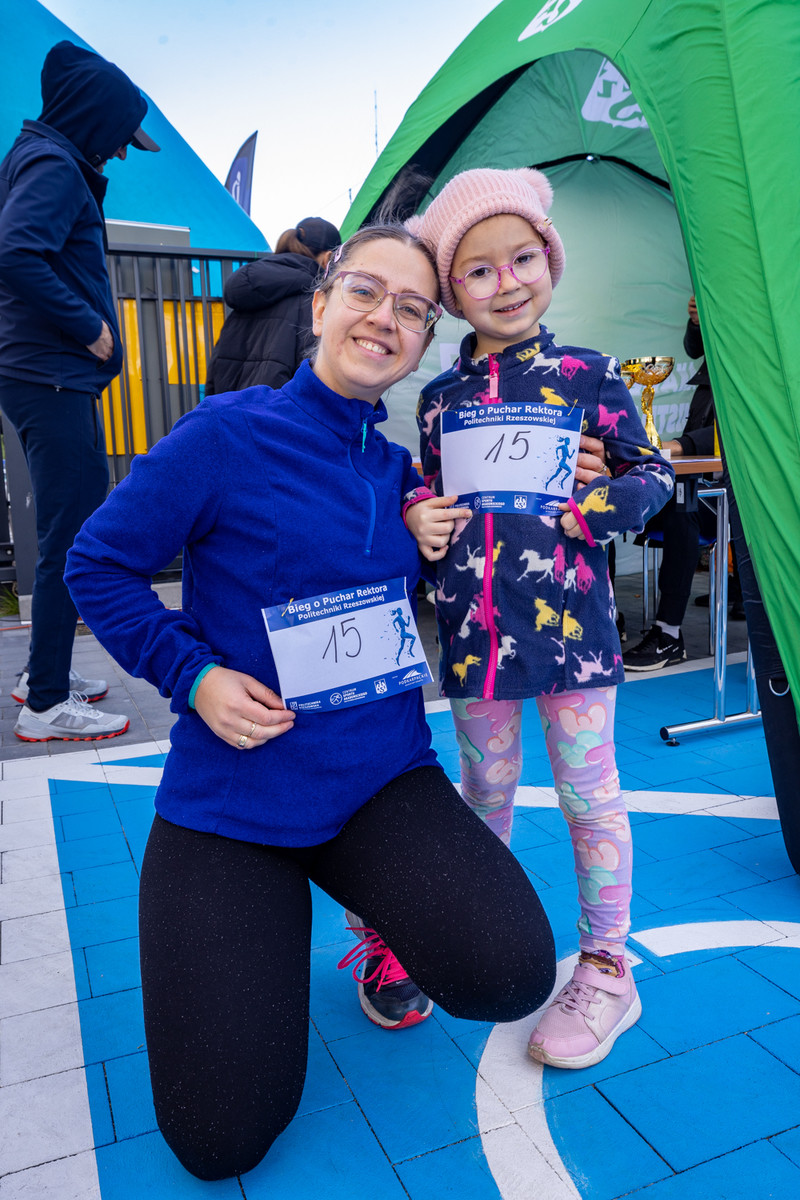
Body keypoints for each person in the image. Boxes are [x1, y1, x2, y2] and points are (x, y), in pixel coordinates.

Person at [64, 222, 557, 1181]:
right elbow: (98, 562)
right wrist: (193, 675)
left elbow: (500, 505)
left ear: (423, 340)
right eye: (366, 292)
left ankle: (369, 911)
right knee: (218, 1139)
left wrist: (589, 471)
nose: (385, 319)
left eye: (412, 309)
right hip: (235, 800)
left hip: (378, 782)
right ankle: (266, 913)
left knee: (509, 971)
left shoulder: (399, 471)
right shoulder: (225, 435)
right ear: (322, 302)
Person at [403, 166, 674, 1070]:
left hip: (574, 641)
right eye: (479, 270)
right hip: (474, 642)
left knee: (589, 798)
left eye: (523, 258)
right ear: (452, 291)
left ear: (549, 261)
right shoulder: (438, 402)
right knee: (483, 793)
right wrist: (419, 518)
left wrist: (597, 507)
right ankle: (482, 943)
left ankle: (607, 966)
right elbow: (429, 496)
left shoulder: (590, 374)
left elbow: (652, 475)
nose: (507, 281)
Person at [0, 40, 160, 740]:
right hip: (52, 373)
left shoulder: (40, 157)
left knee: (69, 528)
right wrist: (88, 326)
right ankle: (44, 705)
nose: (121, 152)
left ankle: (46, 673)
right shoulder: (56, 165)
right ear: (94, 118)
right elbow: (14, 251)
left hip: (43, 372)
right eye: (119, 137)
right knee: (73, 534)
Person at [623, 295, 743, 672]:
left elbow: (735, 435)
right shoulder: (711, 373)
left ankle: (669, 634)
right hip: (697, 487)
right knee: (604, 498)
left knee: (681, 505)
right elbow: (694, 347)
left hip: (731, 501)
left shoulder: (757, 373)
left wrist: (680, 445)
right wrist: (695, 321)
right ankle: (606, 617)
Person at [204, 217, 341, 395]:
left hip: (229, 406)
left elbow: (218, 363)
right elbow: (313, 374)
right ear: (328, 258)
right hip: (275, 408)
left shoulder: (250, 288)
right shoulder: (312, 299)